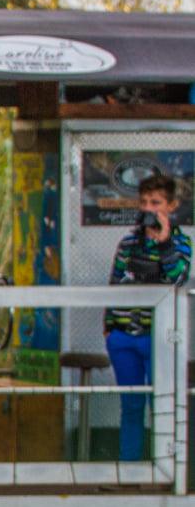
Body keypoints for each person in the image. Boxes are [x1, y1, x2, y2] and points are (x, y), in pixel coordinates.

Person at [104, 173, 191, 461]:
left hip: (159, 337)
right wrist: (110, 327)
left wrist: (164, 244)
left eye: (156, 202)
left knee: (162, 404)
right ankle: (129, 472)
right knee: (131, 405)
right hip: (125, 336)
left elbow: (178, 278)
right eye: (144, 202)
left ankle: (164, 470)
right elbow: (115, 282)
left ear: (172, 205)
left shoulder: (180, 242)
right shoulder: (129, 241)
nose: (149, 208)